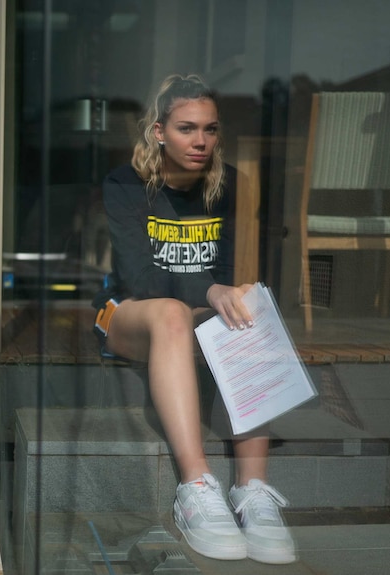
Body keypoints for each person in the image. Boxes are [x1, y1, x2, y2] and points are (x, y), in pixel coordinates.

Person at [92, 74, 296, 565]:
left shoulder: (224, 187)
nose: (200, 141)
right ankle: (196, 486)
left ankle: (252, 490)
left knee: (249, 308)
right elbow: (140, 278)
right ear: (158, 131)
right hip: (127, 314)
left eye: (210, 129)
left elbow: (222, 276)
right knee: (171, 313)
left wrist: (231, 296)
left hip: (192, 309)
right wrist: (208, 291)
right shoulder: (125, 184)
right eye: (187, 128)